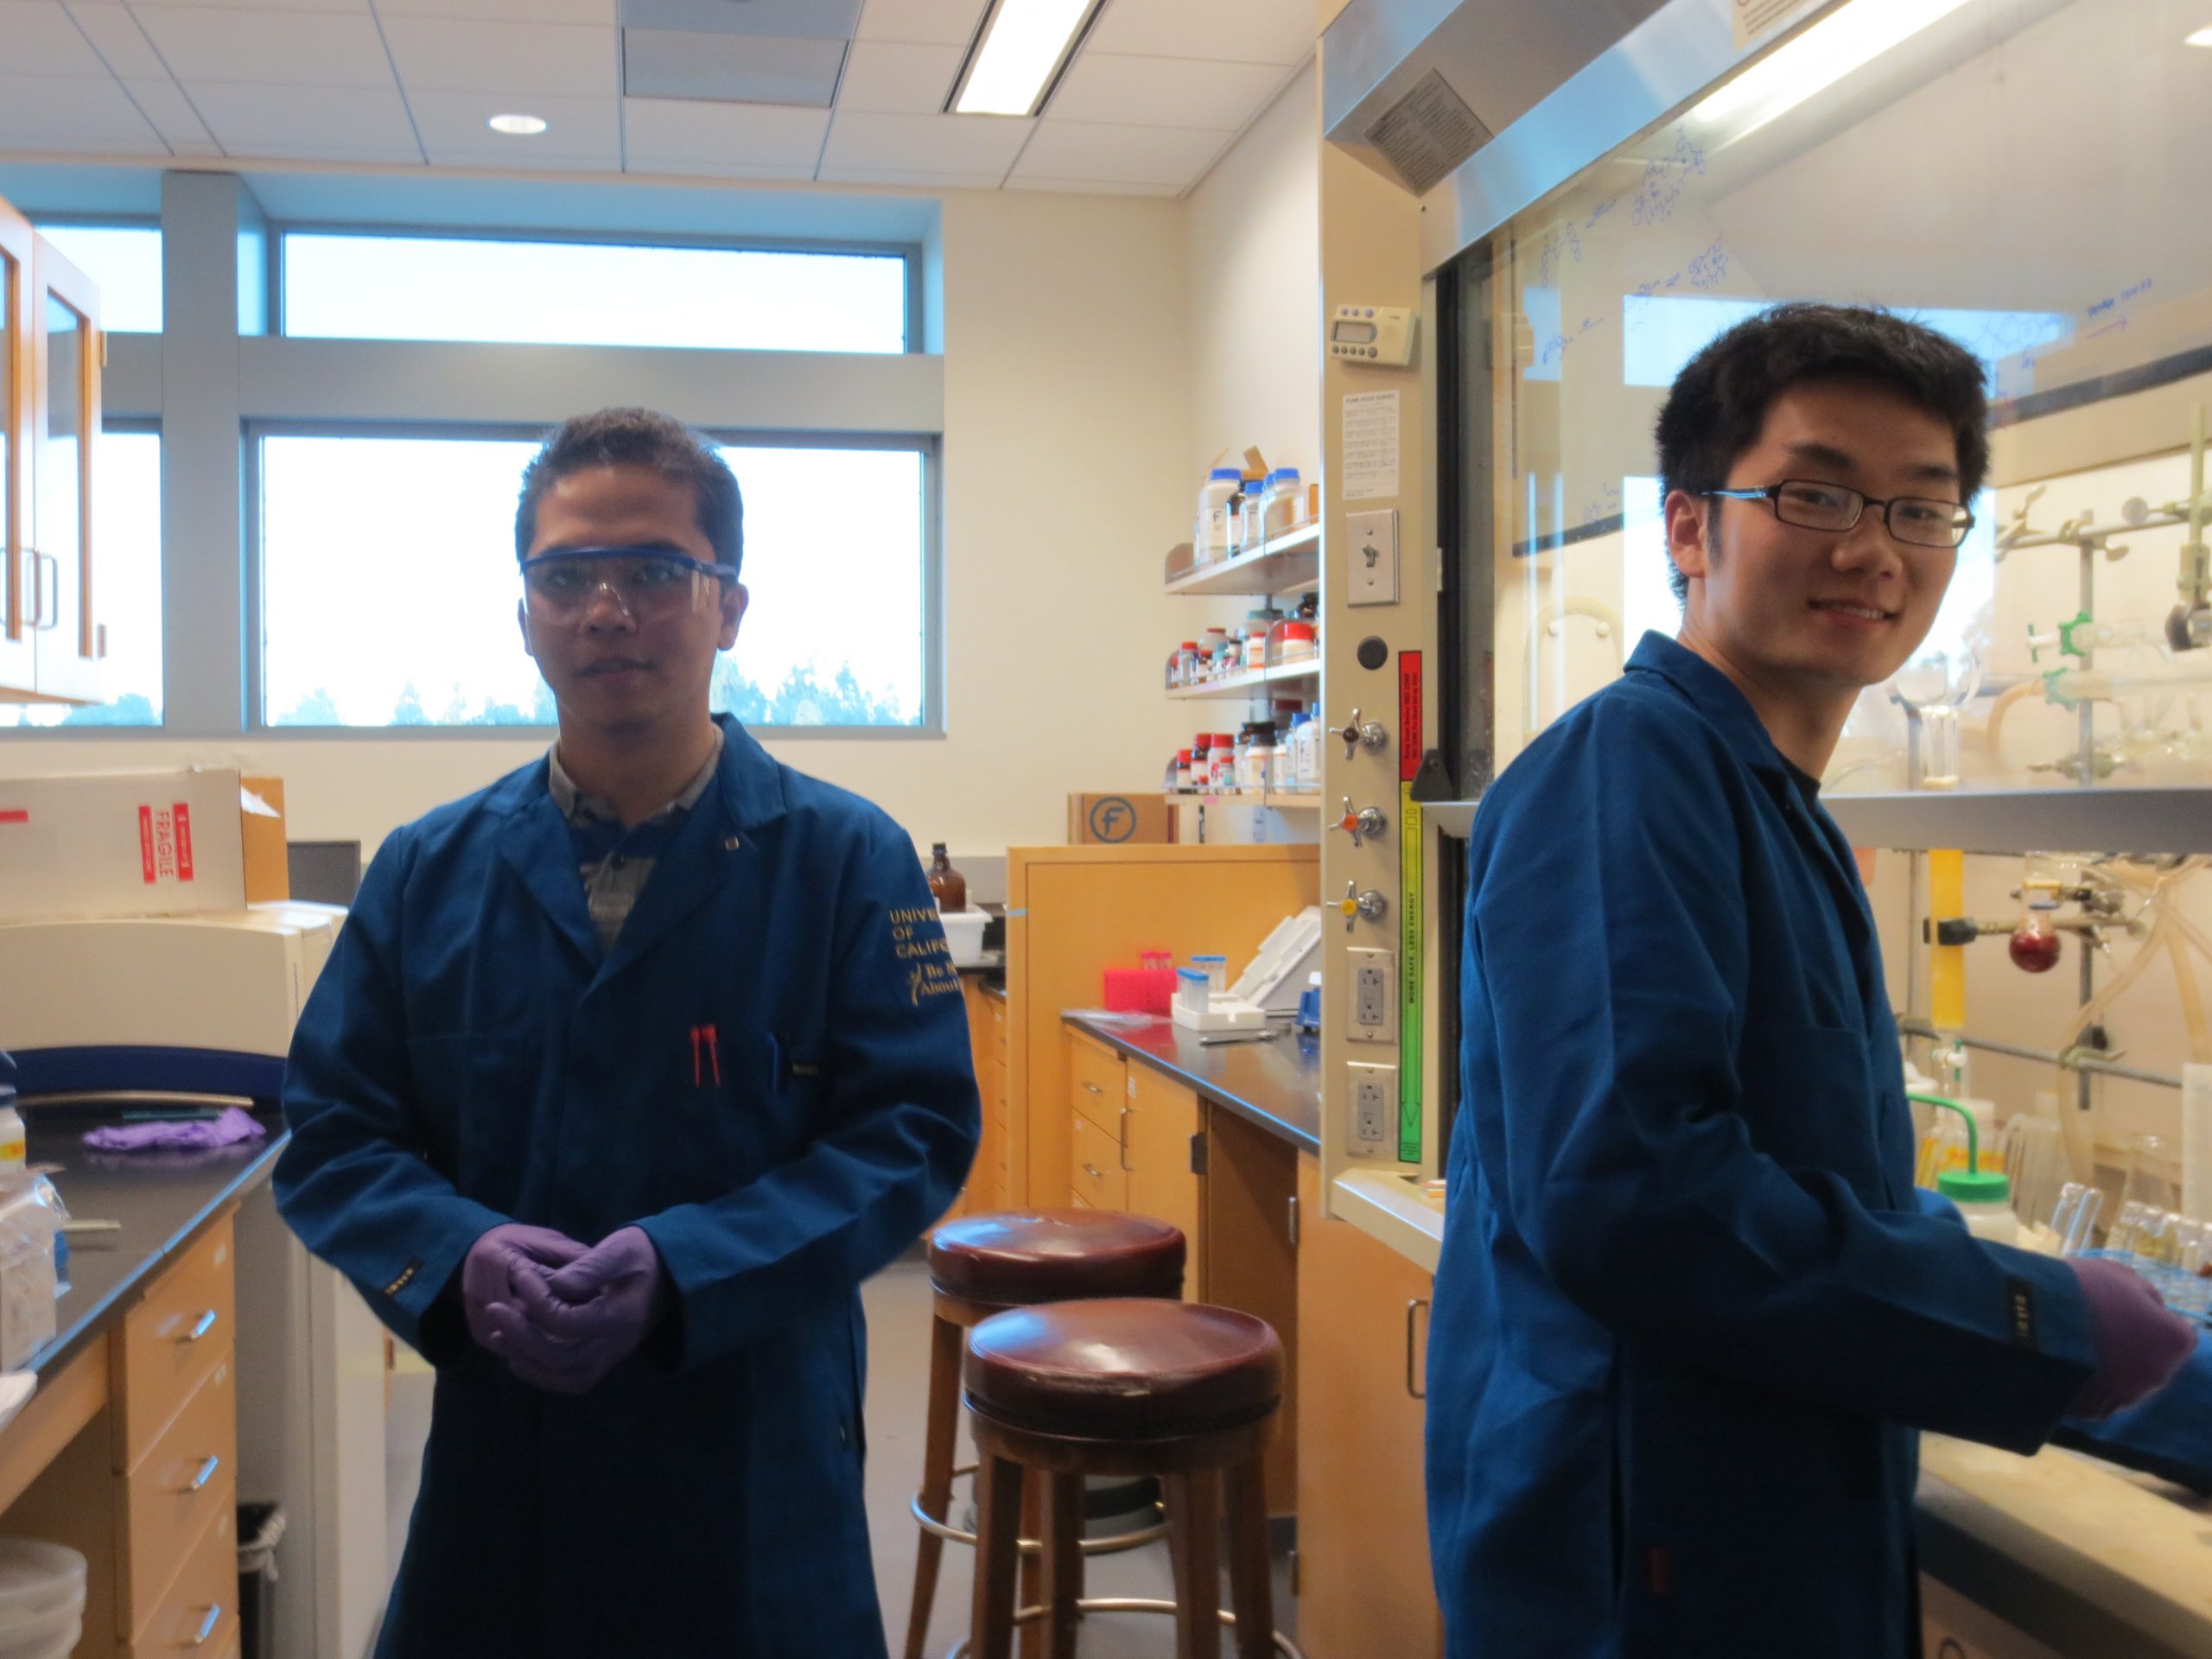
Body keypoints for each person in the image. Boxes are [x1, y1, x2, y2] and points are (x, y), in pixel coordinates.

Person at [1424, 305, 2195, 1658]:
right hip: (1650, 1557)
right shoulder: (1631, 769)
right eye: (1816, 493)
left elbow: (1797, 1171)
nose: (1872, 550)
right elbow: (1638, 1197)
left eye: (1922, 508)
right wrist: (2040, 1323)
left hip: (1740, 1516)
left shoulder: (1762, 796)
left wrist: (2020, 1302)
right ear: (1687, 527)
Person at [275, 408, 981, 1657]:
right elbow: (333, 1134)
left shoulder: (845, 860)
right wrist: (457, 1251)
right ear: (524, 614)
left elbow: (911, 1133)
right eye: (565, 578)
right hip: (505, 1465)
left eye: (653, 571)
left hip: (752, 1450)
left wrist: (687, 1266)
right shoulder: (427, 872)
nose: (605, 611)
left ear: (729, 606)